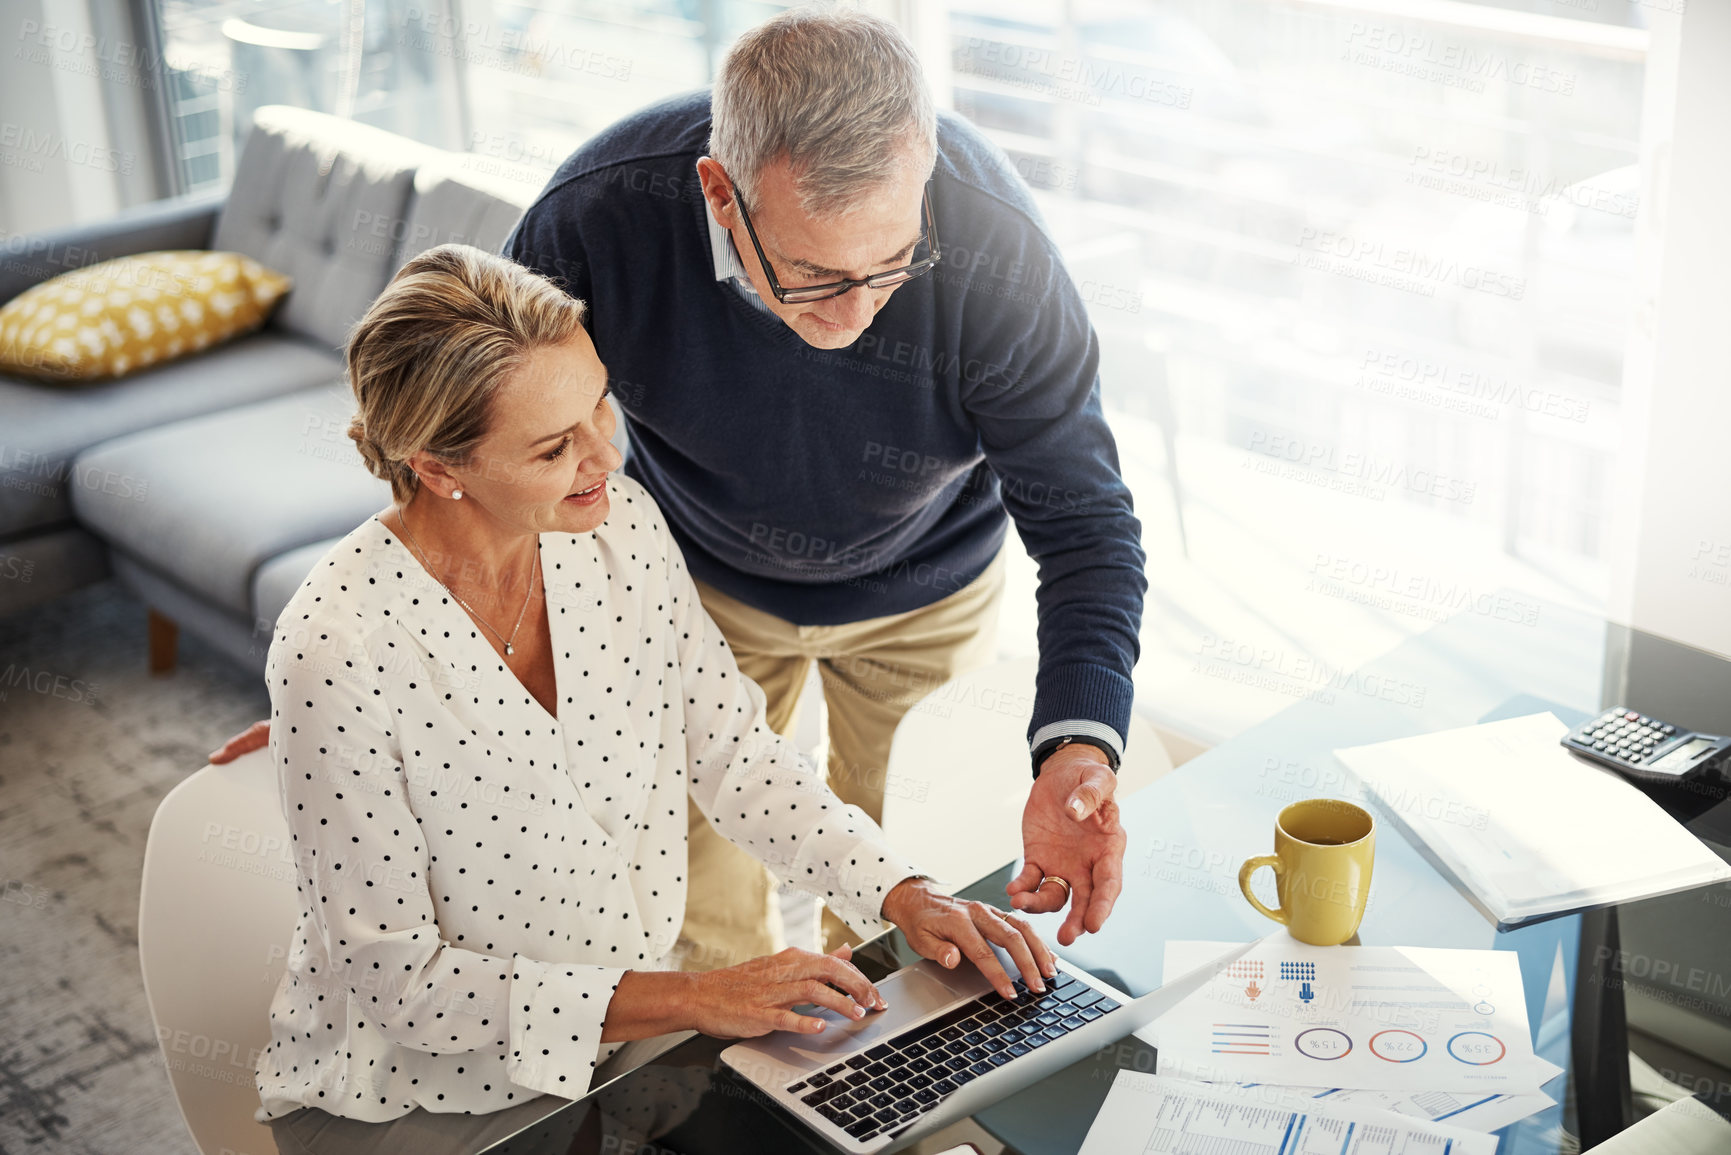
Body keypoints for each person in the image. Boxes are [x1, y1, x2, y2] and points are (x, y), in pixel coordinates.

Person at [215, 6, 1144, 972]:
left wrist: (1078, 751)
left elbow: (1085, 527)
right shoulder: (594, 222)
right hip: (699, 585)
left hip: (925, 588)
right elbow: (469, 445)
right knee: (703, 931)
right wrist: (375, 689)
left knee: (914, 917)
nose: (859, 314)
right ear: (718, 189)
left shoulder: (1001, 252)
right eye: (814, 275)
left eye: (892, 266)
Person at [254, 244, 1055, 1150]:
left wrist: (900, 891)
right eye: (554, 445)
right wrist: (700, 997)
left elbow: (735, 757)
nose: (607, 451)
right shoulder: (337, 647)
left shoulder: (616, 526)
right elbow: (398, 980)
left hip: (625, 1046)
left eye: (598, 398)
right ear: (441, 466)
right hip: (419, 1093)